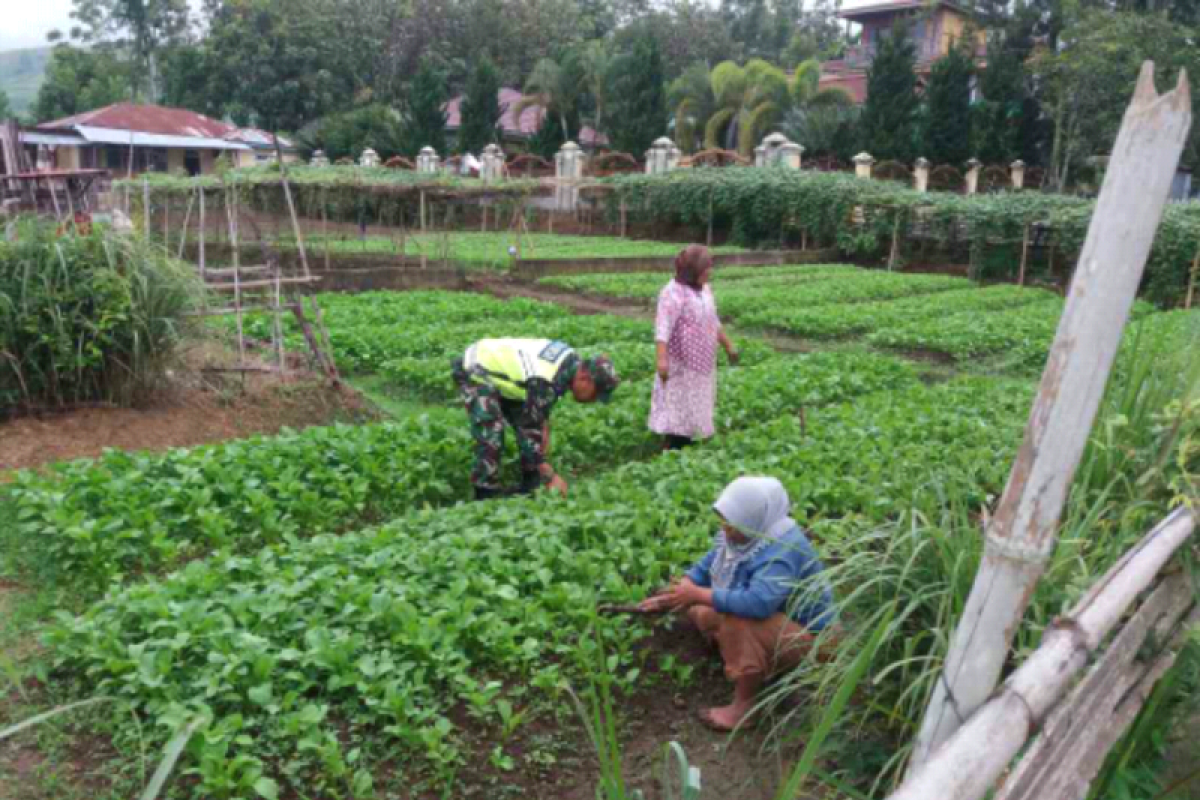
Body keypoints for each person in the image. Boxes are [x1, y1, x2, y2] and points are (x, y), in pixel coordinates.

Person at [639, 477, 836, 731]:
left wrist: (696, 594)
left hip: (812, 641)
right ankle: (743, 652)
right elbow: (709, 564)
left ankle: (745, 706)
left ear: (755, 519)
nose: (724, 529)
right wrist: (679, 592)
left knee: (736, 617)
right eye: (723, 520)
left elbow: (758, 604)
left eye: (731, 524)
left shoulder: (783, 550)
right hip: (780, 625)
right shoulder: (743, 534)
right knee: (701, 608)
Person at [452, 338, 619, 501]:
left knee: (533, 429)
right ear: (584, 378)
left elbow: (538, 407)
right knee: (492, 432)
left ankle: (530, 482)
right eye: (596, 393)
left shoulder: (571, 363)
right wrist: (550, 476)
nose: (593, 400)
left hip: (504, 372)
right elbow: (530, 427)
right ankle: (484, 494)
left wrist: (543, 425)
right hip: (477, 368)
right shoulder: (546, 379)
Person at [650, 245, 738, 451]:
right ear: (693, 269)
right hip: (681, 364)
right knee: (678, 410)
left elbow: (713, 321)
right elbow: (663, 327)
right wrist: (662, 359)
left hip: (702, 365)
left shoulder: (705, 290)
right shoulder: (672, 292)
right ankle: (672, 449)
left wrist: (728, 345)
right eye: (706, 267)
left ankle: (691, 446)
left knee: (696, 408)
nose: (710, 271)